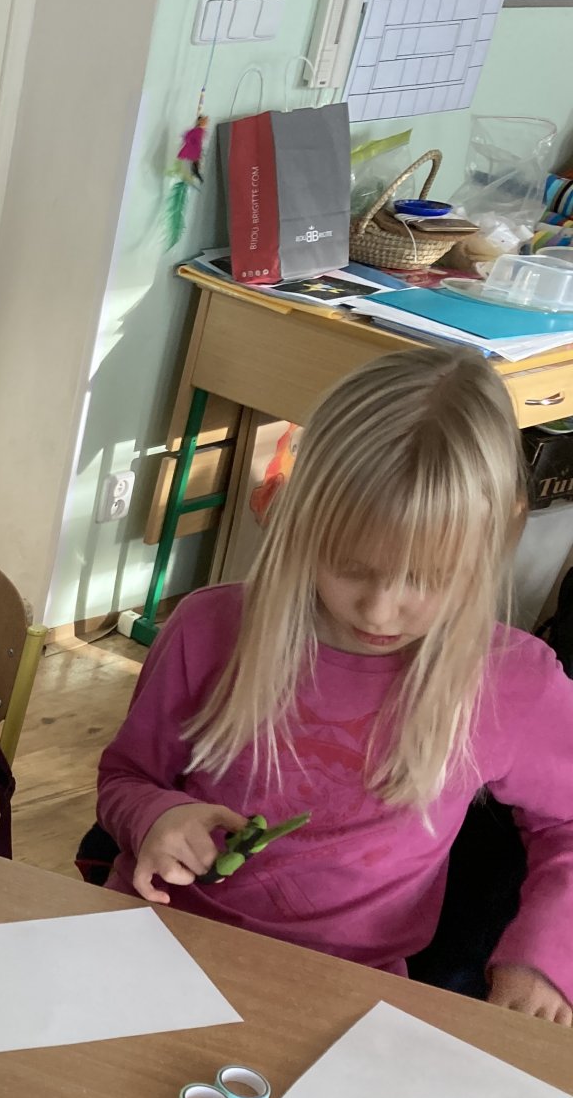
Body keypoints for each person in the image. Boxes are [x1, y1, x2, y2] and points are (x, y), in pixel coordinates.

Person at [98, 346, 573, 1026]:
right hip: (159, 941)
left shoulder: (513, 681)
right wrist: (155, 816)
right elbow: (125, 777)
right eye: (350, 567)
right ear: (301, 519)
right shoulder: (207, 629)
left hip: (346, 995)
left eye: (427, 579)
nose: (379, 610)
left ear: (500, 535)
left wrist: (544, 956)